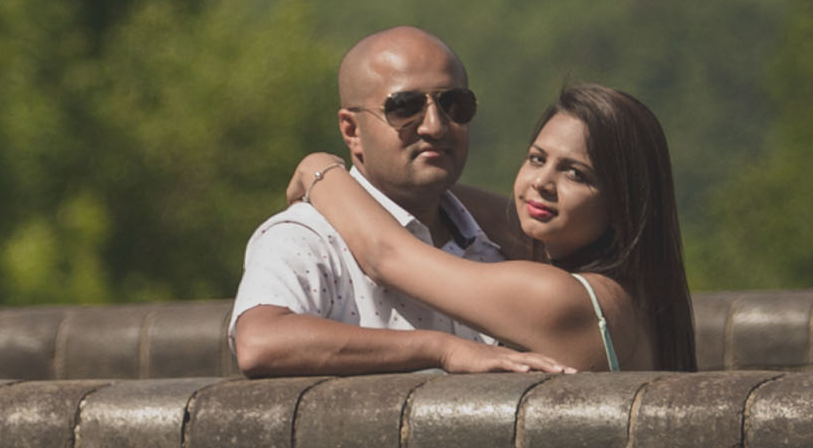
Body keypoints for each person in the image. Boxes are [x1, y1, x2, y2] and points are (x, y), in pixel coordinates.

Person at [286, 78, 698, 373]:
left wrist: (319, 170)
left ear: (623, 202)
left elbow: (387, 256)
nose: (542, 183)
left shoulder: (560, 299)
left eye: (575, 174)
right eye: (537, 159)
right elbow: (478, 206)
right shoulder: (635, 293)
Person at [232, 26, 565, 379]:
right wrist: (440, 349)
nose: (435, 126)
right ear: (351, 131)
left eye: (454, 105)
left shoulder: (498, 241)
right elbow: (261, 341)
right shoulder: (307, 238)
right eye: (405, 107)